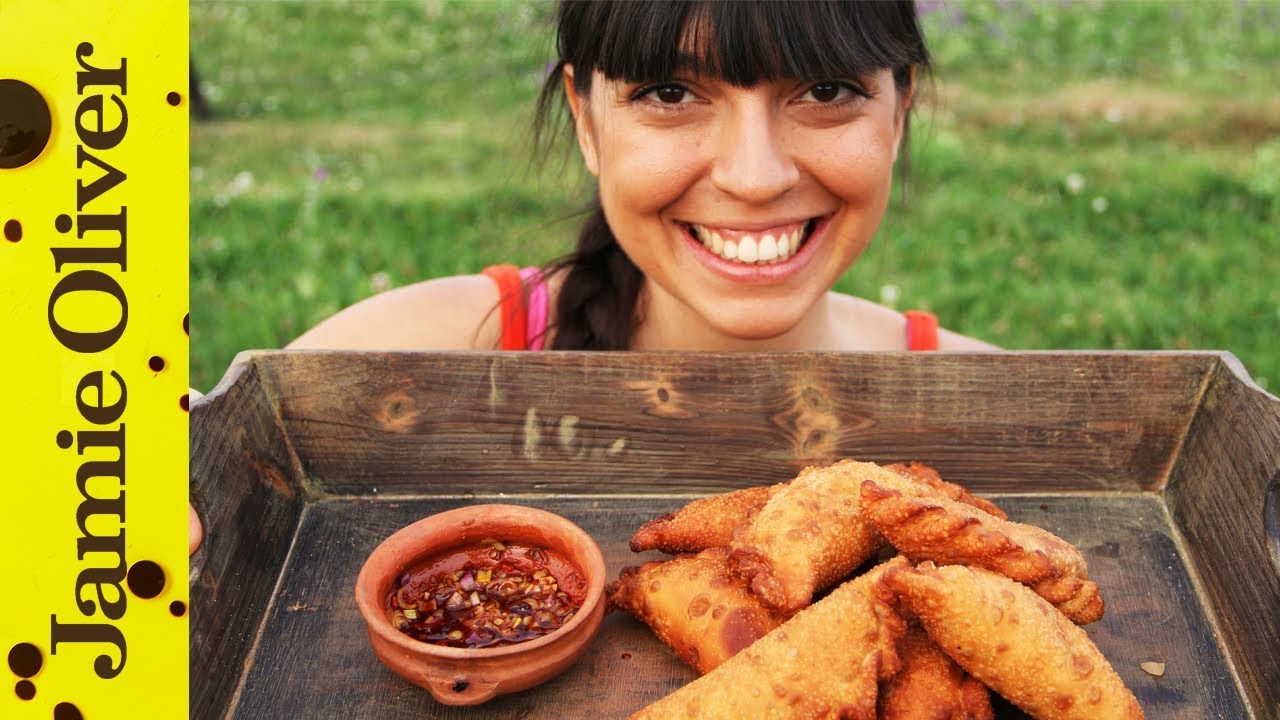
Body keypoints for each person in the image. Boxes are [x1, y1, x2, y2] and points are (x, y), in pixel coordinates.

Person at [191, 0, 995, 553]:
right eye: (670, 92)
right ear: (585, 118)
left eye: (826, 91)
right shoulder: (417, 352)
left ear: (899, 113)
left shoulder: (998, 417)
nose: (755, 176)